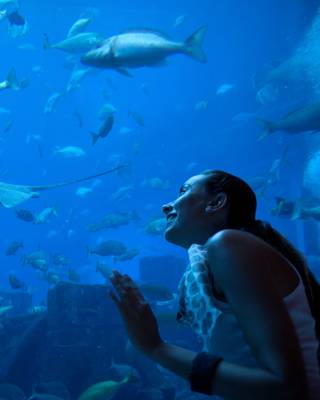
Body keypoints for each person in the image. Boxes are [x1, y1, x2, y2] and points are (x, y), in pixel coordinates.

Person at [109, 169, 320, 400]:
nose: (166, 206)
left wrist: (156, 347)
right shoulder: (216, 259)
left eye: (184, 191)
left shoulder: (228, 245)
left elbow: (285, 385)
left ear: (216, 203)